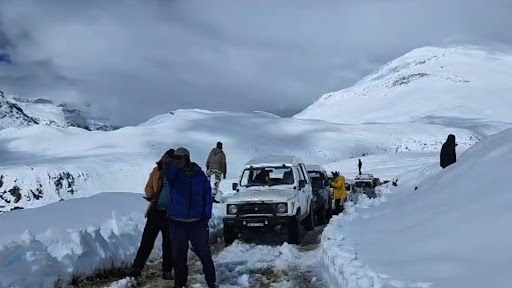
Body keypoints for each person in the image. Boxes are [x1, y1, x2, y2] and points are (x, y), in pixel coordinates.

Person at [165, 147, 216, 288]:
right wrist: (170, 163)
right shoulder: (175, 174)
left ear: (187, 158)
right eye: (176, 158)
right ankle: (179, 284)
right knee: (178, 257)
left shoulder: (200, 175)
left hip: (197, 222)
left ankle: (211, 282)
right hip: (177, 222)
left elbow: (207, 196)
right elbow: (168, 175)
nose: (177, 160)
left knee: (204, 254)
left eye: (180, 158)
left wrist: (205, 216)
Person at [130, 149, 175, 279]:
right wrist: (151, 195)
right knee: (147, 241)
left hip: (170, 213)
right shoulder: (157, 171)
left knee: (168, 244)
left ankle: (167, 270)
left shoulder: (177, 174)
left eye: (170, 158)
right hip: (155, 211)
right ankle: (137, 267)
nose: (167, 159)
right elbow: (148, 186)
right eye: (166, 157)